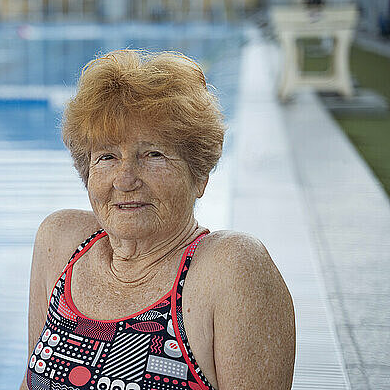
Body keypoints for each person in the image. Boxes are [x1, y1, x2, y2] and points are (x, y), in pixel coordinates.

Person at [20, 49, 295, 390]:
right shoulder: (59, 243)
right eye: (107, 156)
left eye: (153, 154)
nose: (125, 179)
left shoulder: (231, 268)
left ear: (200, 176)